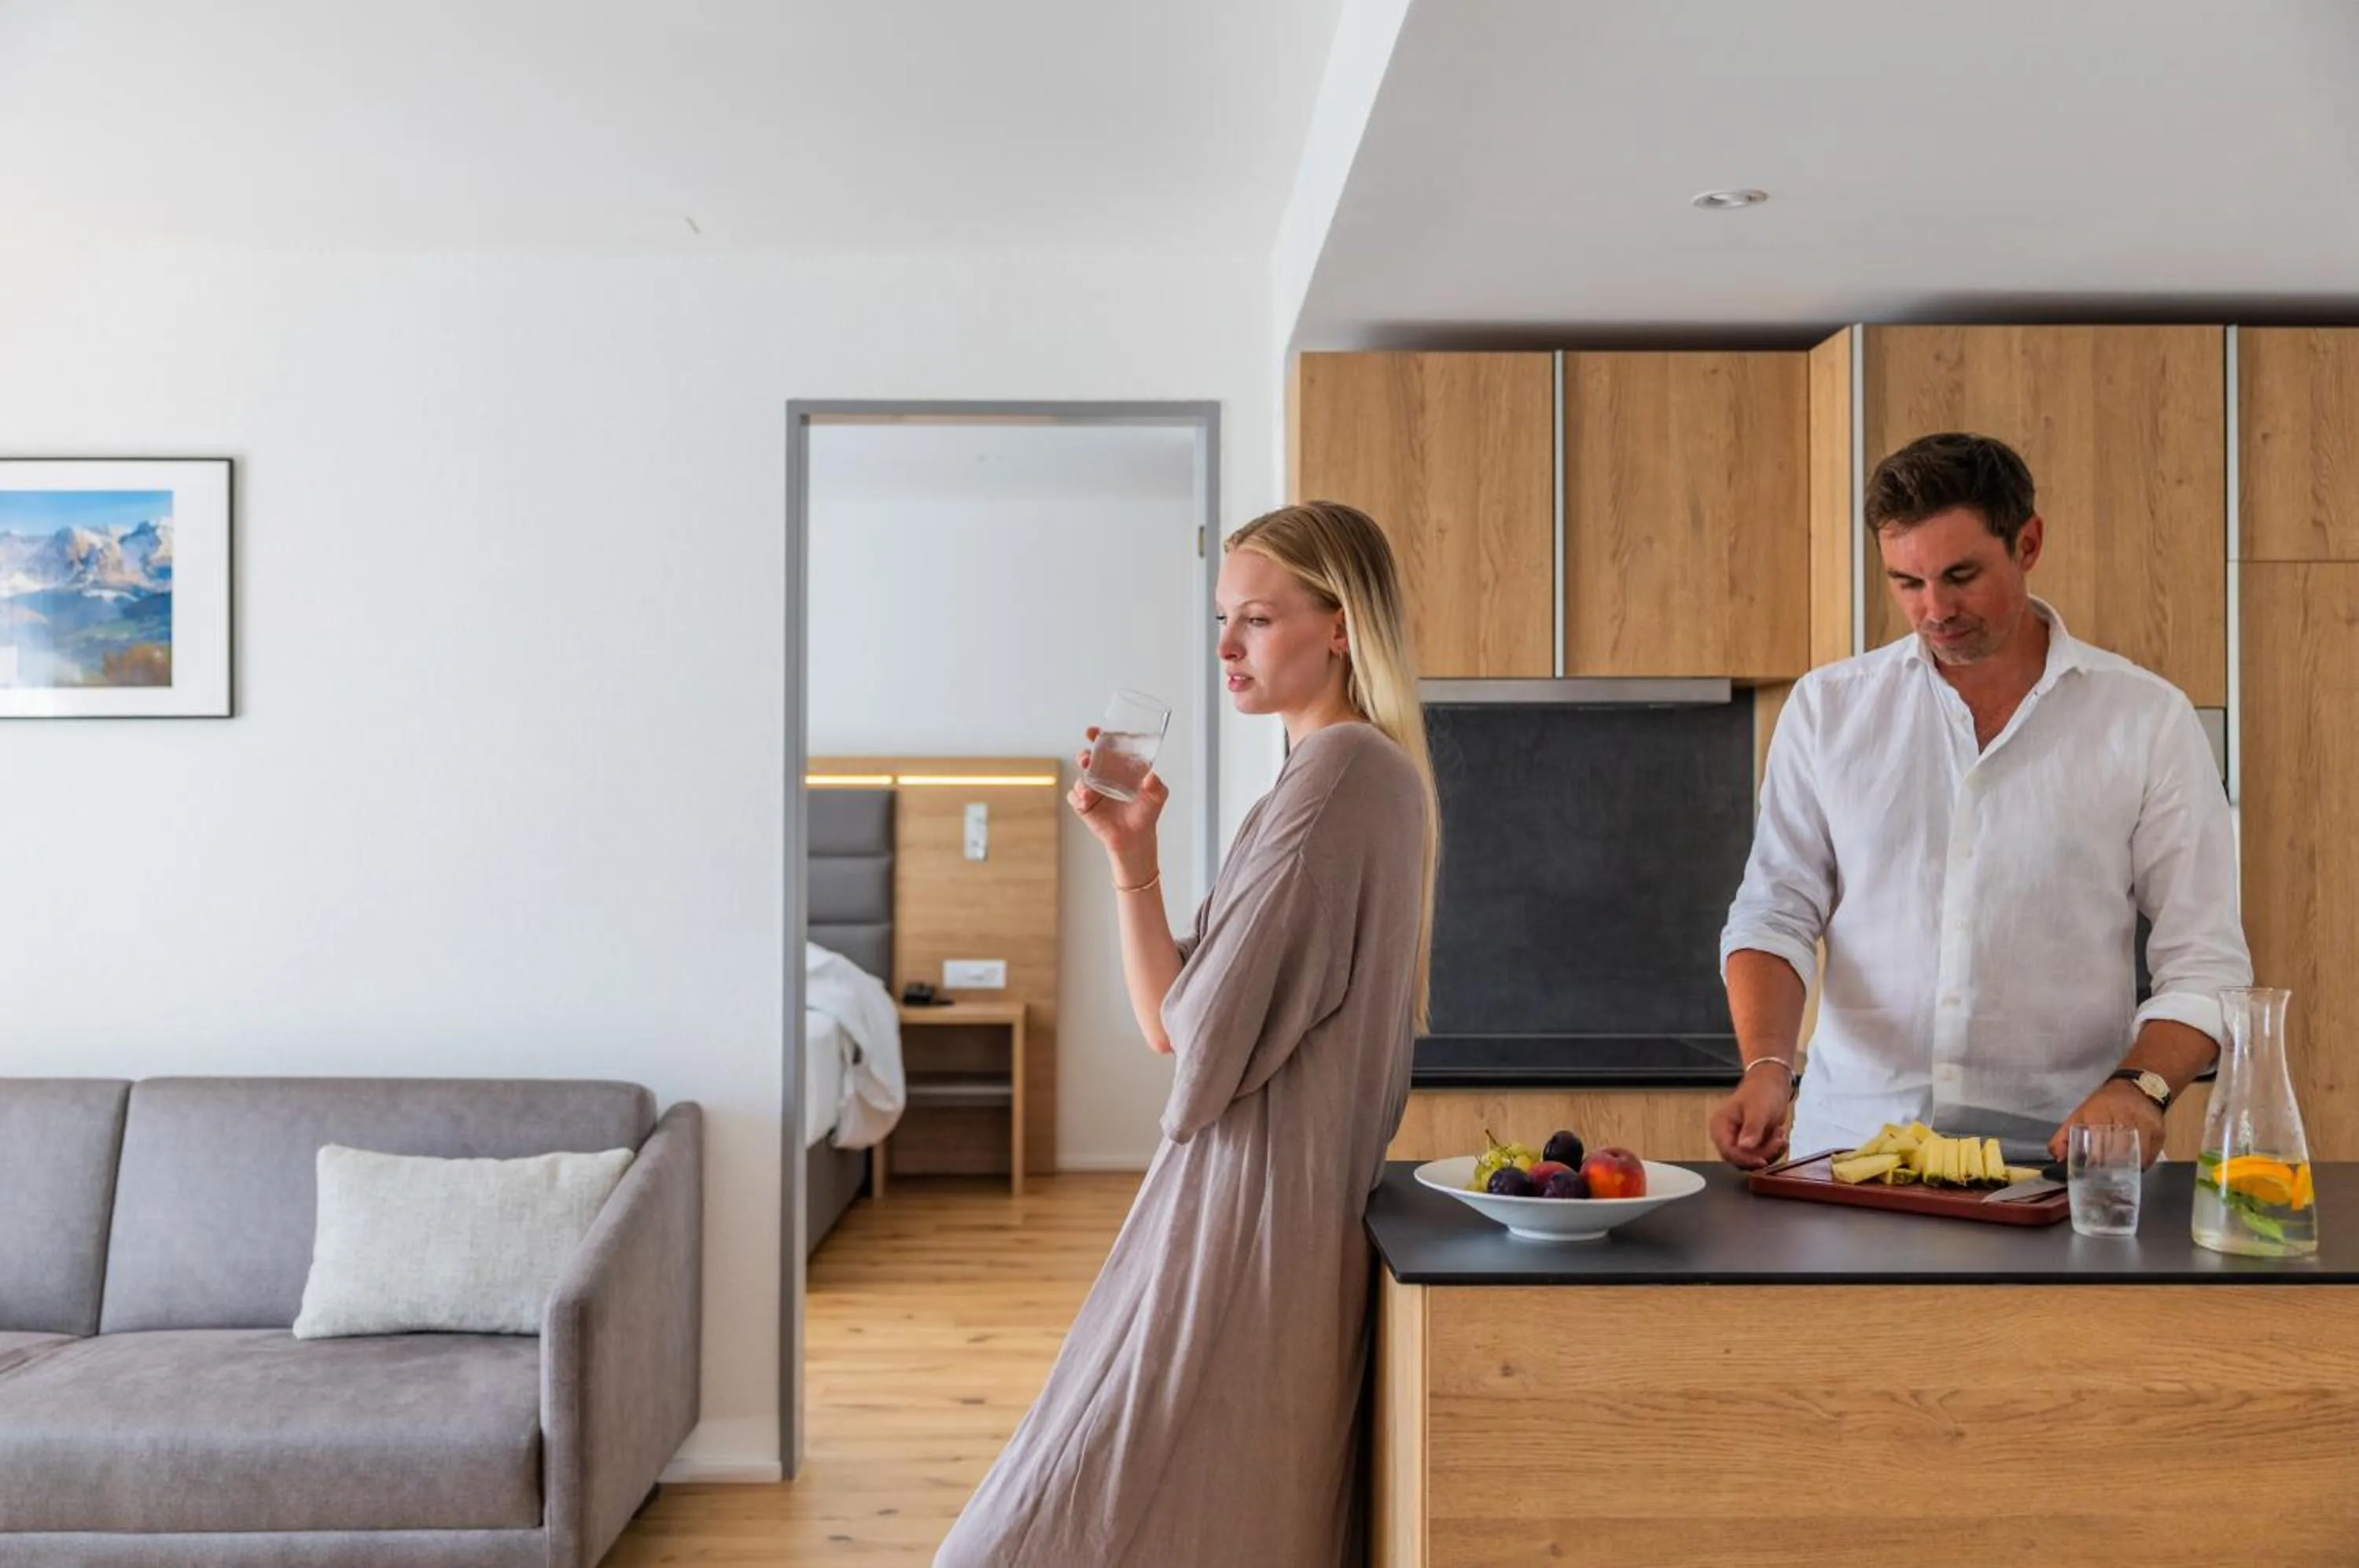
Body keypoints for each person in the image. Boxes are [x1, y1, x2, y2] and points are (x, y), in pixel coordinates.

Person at [934, 502, 1440, 1568]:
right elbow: (1173, 1022)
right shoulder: (1322, 778)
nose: (1223, 649)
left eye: (1254, 620)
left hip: (1246, 1203)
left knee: (1042, 1522)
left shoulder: (1343, 777)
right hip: (1254, 1201)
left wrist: (1202, 1006)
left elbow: (1197, 1043)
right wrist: (1131, 850)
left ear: (1340, 625)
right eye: (1223, 620)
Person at [1713, 432, 2251, 1171]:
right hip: (1851, 1156)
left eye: (1961, 575)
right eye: (1907, 582)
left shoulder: (2147, 719)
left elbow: (2206, 963)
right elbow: (1776, 910)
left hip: (2059, 1161)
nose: (1935, 609)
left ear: (2027, 543)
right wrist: (1767, 1067)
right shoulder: (1828, 710)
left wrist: (2141, 1087)